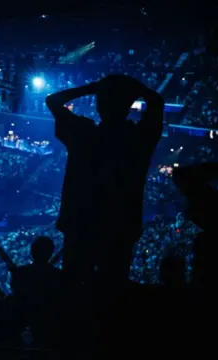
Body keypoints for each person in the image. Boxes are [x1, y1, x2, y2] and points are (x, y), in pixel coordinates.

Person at [45, 75, 164, 287]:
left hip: (80, 224)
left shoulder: (83, 134)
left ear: (99, 106)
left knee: (73, 290)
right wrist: (136, 88)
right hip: (120, 226)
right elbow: (157, 102)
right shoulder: (139, 140)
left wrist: (92, 87)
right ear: (128, 107)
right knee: (113, 290)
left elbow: (52, 101)